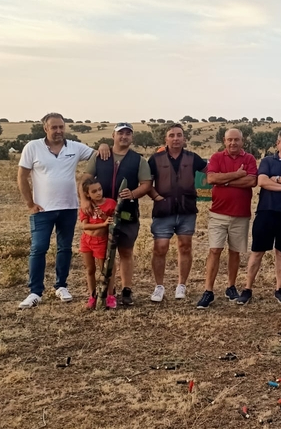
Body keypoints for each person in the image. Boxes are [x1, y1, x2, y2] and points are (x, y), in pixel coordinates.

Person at [17, 112, 110, 309]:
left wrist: (103, 146)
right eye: (54, 127)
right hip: (42, 210)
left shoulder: (75, 147)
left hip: (68, 207)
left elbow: (97, 155)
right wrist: (29, 203)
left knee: (64, 248)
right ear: (45, 128)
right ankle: (35, 291)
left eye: (61, 127)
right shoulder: (32, 147)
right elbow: (22, 176)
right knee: (38, 249)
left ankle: (61, 286)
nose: (58, 131)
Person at [80, 122, 152, 306]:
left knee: (126, 252)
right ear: (113, 135)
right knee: (102, 255)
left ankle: (126, 290)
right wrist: (84, 200)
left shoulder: (139, 160)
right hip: (101, 215)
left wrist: (134, 194)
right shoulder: (100, 155)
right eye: (121, 133)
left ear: (132, 138)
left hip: (127, 214)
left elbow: (146, 184)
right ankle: (103, 293)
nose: (124, 137)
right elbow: (85, 180)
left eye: (128, 134)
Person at [237, 128, 281, 305]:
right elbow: (262, 182)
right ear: (278, 143)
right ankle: (247, 289)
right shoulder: (268, 160)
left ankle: (279, 288)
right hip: (266, 212)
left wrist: (276, 179)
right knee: (257, 251)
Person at [196, 128, 257, 309]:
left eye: (236, 140)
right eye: (230, 140)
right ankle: (208, 290)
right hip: (218, 213)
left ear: (242, 141)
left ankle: (231, 286)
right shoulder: (216, 157)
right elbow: (211, 178)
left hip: (241, 214)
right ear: (224, 141)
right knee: (215, 250)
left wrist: (225, 180)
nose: (233, 143)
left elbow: (252, 181)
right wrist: (237, 175)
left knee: (235, 252)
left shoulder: (249, 159)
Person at [147, 124, 207, 303]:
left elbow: (210, 173)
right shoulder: (155, 159)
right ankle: (159, 286)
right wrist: (156, 197)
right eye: (171, 135)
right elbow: (146, 182)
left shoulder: (193, 157)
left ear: (184, 138)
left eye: (179, 135)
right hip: (163, 210)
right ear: (165, 139)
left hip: (187, 209)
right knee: (160, 248)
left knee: (185, 247)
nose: (176, 138)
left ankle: (182, 285)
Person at [78, 179, 117, 310]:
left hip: (101, 241)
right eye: (94, 191)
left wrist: (105, 217)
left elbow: (113, 221)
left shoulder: (110, 203)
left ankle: (110, 295)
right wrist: (103, 224)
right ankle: (92, 296)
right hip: (87, 241)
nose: (98, 193)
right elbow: (85, 226)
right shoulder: (86, 206)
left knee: (105, 271)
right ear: (87, 194)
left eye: (99, 189)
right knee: (90, 269)